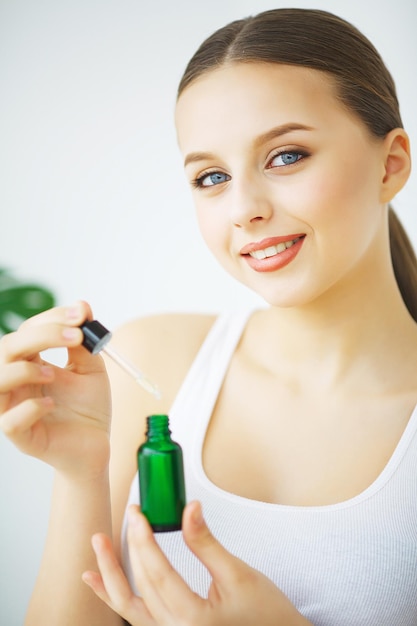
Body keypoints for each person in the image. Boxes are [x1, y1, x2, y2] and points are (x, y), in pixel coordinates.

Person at [1, 7, 416, 626]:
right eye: (212, 176)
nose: (243, 209)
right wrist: (81, 473)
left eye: (286, 156)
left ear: (391, 164)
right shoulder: (153, 363)